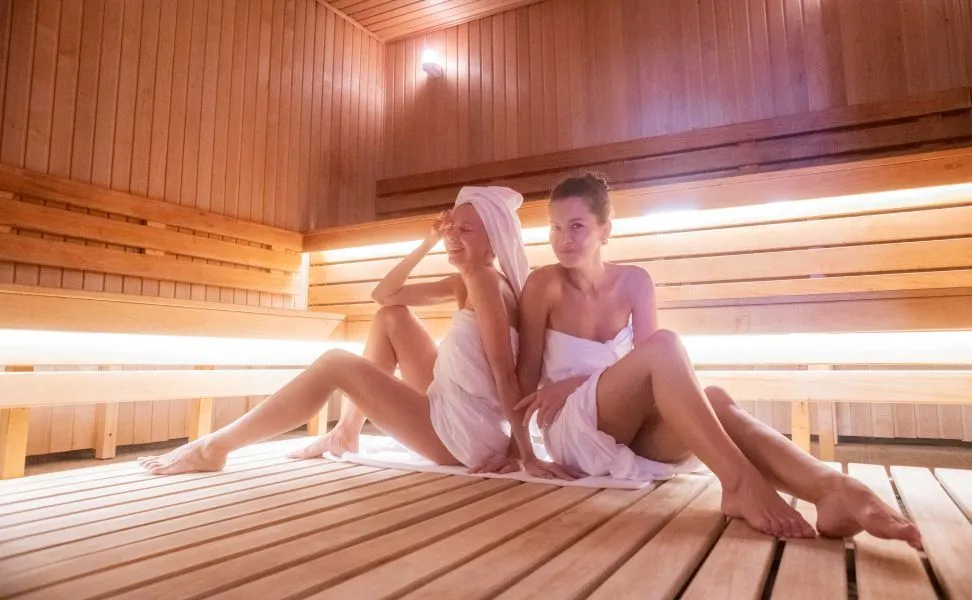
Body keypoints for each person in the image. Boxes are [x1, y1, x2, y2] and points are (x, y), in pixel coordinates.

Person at [514, 172, 922, 546]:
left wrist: (582, 382)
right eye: (555, 227)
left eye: (576, 226)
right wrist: (525, 455)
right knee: (666, 344)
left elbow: (646, 378)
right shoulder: (544, 284)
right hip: (572, 429)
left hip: (627, 427)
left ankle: (833, 489)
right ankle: (740, 484)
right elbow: (524, 376)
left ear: (605, 229)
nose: (563, 239)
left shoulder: (635, 281)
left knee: (717, 400)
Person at [140, 186, 571, 479]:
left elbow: (505, 373)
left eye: (465, 230)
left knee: (334, 363)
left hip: (461, 434)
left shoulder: (484, 281)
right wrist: (426, 241)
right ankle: (346, 431)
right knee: (391, 317)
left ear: (493, 240)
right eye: (449, 228)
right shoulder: (470, 279)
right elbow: (384, 295)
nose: (451, 238)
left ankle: (215, 448)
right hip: (457, 405)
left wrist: (523, 454)